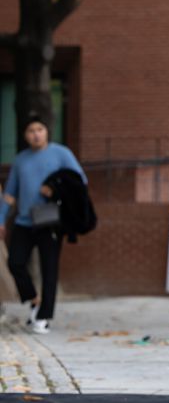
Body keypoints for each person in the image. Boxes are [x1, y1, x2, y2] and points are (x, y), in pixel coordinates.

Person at [0, 115, 87, 334]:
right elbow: (10, 195)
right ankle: (33, 298)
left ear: (47, 131)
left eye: (40, 129)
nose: (36, 134)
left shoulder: (61, 153)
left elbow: (79, 181)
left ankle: (43, 317)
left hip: (51, 221)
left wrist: (54, 188)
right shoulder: (21, 159)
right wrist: (1, 219)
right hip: (24, 221)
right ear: (25, 135)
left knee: (50, 270)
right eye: (31, 130)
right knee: (15, 263)